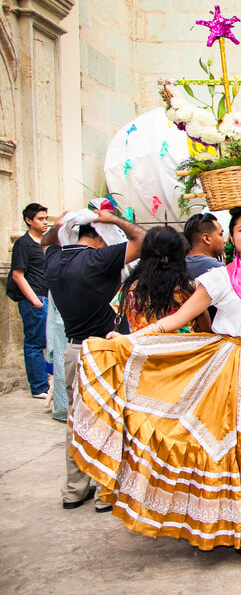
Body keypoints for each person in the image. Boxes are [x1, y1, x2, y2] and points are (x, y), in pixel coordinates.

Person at [68, 170, 241, 554]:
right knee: (239, 444)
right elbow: (175, 320)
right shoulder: (218, 279)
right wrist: (129, 338)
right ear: (232, 237)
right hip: (234, 366)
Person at [43, 206, 145, 511]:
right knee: (109, 418)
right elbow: (142, 239)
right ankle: (105, 491)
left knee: (76, 420)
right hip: (104, 349)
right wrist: (112, 219)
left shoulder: (53, 261)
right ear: (100, 236)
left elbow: (45, 242)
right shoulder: (100, 259)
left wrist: (60, 223)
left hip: (73, 349)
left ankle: (74, 490)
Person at [112, 226, 211, 334]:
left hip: (143, 349)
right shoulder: (188, 289)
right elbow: (205, 329)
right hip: (184, 350)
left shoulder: (128, 289)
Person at [9, 203, 50, 399]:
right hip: (35, 300)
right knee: (34, 343)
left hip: (47, 298)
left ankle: (47, 383)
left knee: (47, 342)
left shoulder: (44, 243)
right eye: (41, 219)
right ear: (29, 221)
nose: (45, 222)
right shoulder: (23, 244)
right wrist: (36, 302)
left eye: (46, 218)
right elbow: (18, 275)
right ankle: (39, 388)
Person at [183, 212, 225, 279]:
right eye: (220, 234)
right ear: (207, 239)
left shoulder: (178, 266)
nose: (225, 240)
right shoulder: (217, 268)